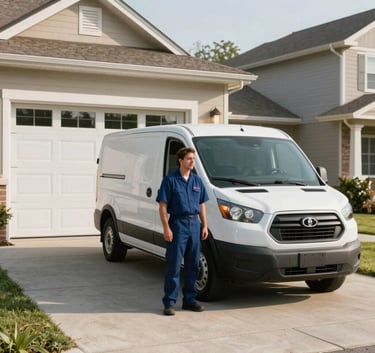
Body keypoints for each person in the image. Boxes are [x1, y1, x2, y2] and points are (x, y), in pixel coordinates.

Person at [156, 147, 209, 316]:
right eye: (189, 158)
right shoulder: (170, 180)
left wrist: (205, 225)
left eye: (193, 158)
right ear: (180, 160)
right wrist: (167, 228)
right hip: (177, 224)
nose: (192, 161)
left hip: (194, 224)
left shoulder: (197, 181)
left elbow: (202, 204)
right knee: (174, 264)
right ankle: (169, 302)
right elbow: (163, 206)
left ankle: (189, 300)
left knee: (193, 264)